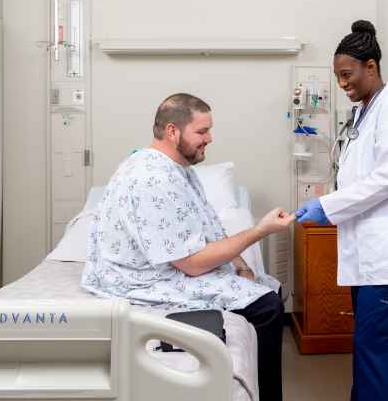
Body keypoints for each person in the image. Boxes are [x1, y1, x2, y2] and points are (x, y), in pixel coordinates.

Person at [81, 93, 294, 401]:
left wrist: (243, 268)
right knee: (267, 308)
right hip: (142, 279)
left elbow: (211, 230)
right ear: (172, 131)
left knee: (268, 288)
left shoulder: (180, 170)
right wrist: (260, 230)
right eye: (202, 131)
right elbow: (191, 264)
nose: (210, 138)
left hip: (175, 263)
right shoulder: (152, 178)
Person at [296, 20, 388, 401]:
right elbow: (359, 178)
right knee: (368, 351)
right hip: (368, 256)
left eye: (347, 75)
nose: (342, 84)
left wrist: (327, 205)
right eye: (338, 77)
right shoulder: (363, 113)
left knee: (374, 356)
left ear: (371, 66)